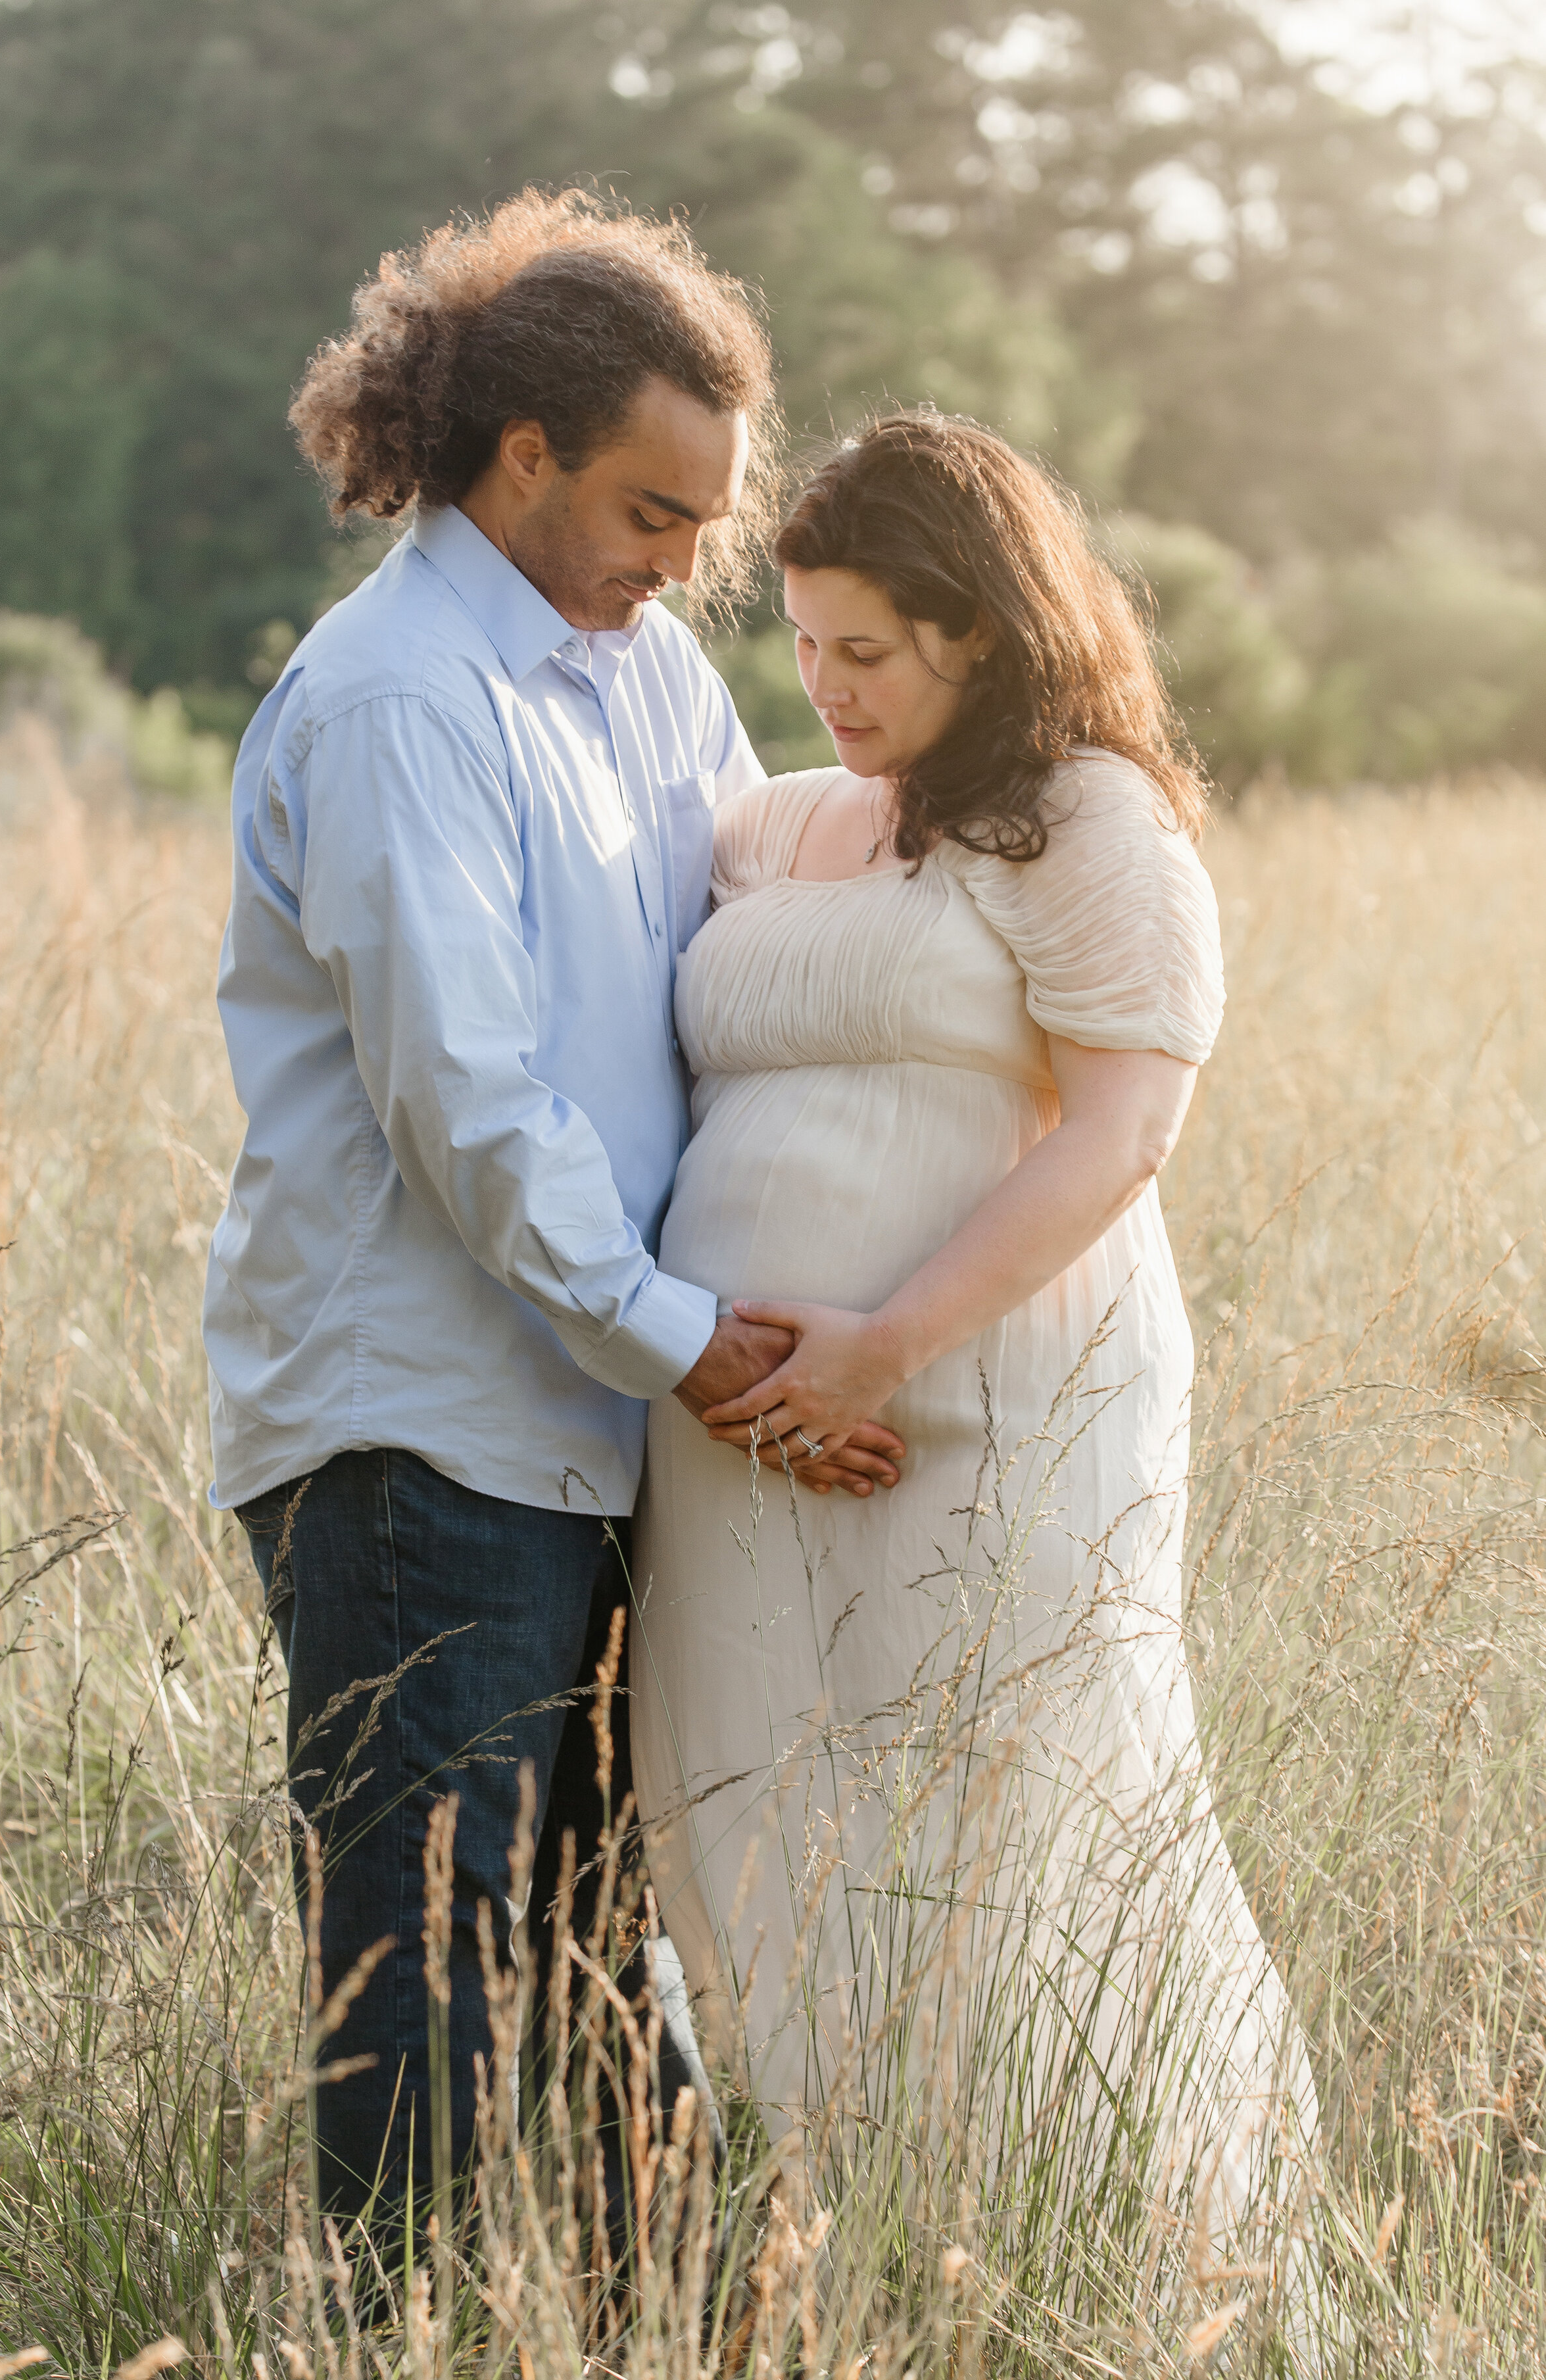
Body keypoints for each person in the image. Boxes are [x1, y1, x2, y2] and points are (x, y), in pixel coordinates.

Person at [203, 190, 906, 2260]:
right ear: (519, 460)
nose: (682, 560)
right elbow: (468, 1107)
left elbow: (752, 934)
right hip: (419, 1434)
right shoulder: (404, 701)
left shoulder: (645, 675)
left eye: (703, 521)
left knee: (617, 1947)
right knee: (421, 1987)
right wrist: (685, 1335)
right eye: (647, 509)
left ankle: (669, 2371)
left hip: (598, 1419)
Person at [630, 412, 1317, 2252]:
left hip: (985, 1398)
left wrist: (883, 1341)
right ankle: (829, 2241)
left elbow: (1124, 1128)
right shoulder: (781, 825)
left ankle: (1079, 2243)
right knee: (755, 1793)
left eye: (866, 650)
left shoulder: (1090, 817)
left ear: (984, 633)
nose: (824, 687)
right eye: (801, 645)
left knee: (1005, 1805)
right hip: (740, 1426)